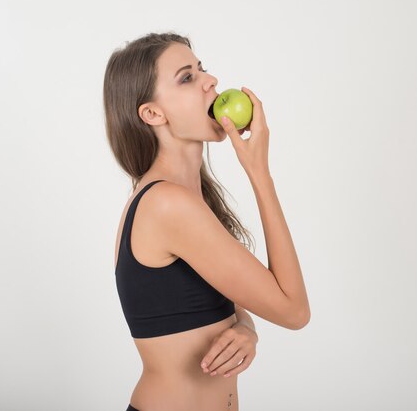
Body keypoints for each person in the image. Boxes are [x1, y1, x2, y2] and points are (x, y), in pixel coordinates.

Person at [103, 31, 310, 411]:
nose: (210, 81)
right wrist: (260, 174)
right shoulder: (168, 205)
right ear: (152, 113)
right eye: (187, 77)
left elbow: (225, 298)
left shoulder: (185, 200)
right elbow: (294, 311)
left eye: (202, 70)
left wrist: (245, 329)